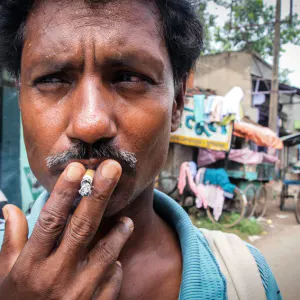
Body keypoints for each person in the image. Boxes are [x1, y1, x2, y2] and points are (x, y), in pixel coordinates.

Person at [0, 1, 281, 299]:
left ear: (178, 101)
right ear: (20, 98)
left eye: (128, 77)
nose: (90, 124)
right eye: (52, 79)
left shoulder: (247, 280)